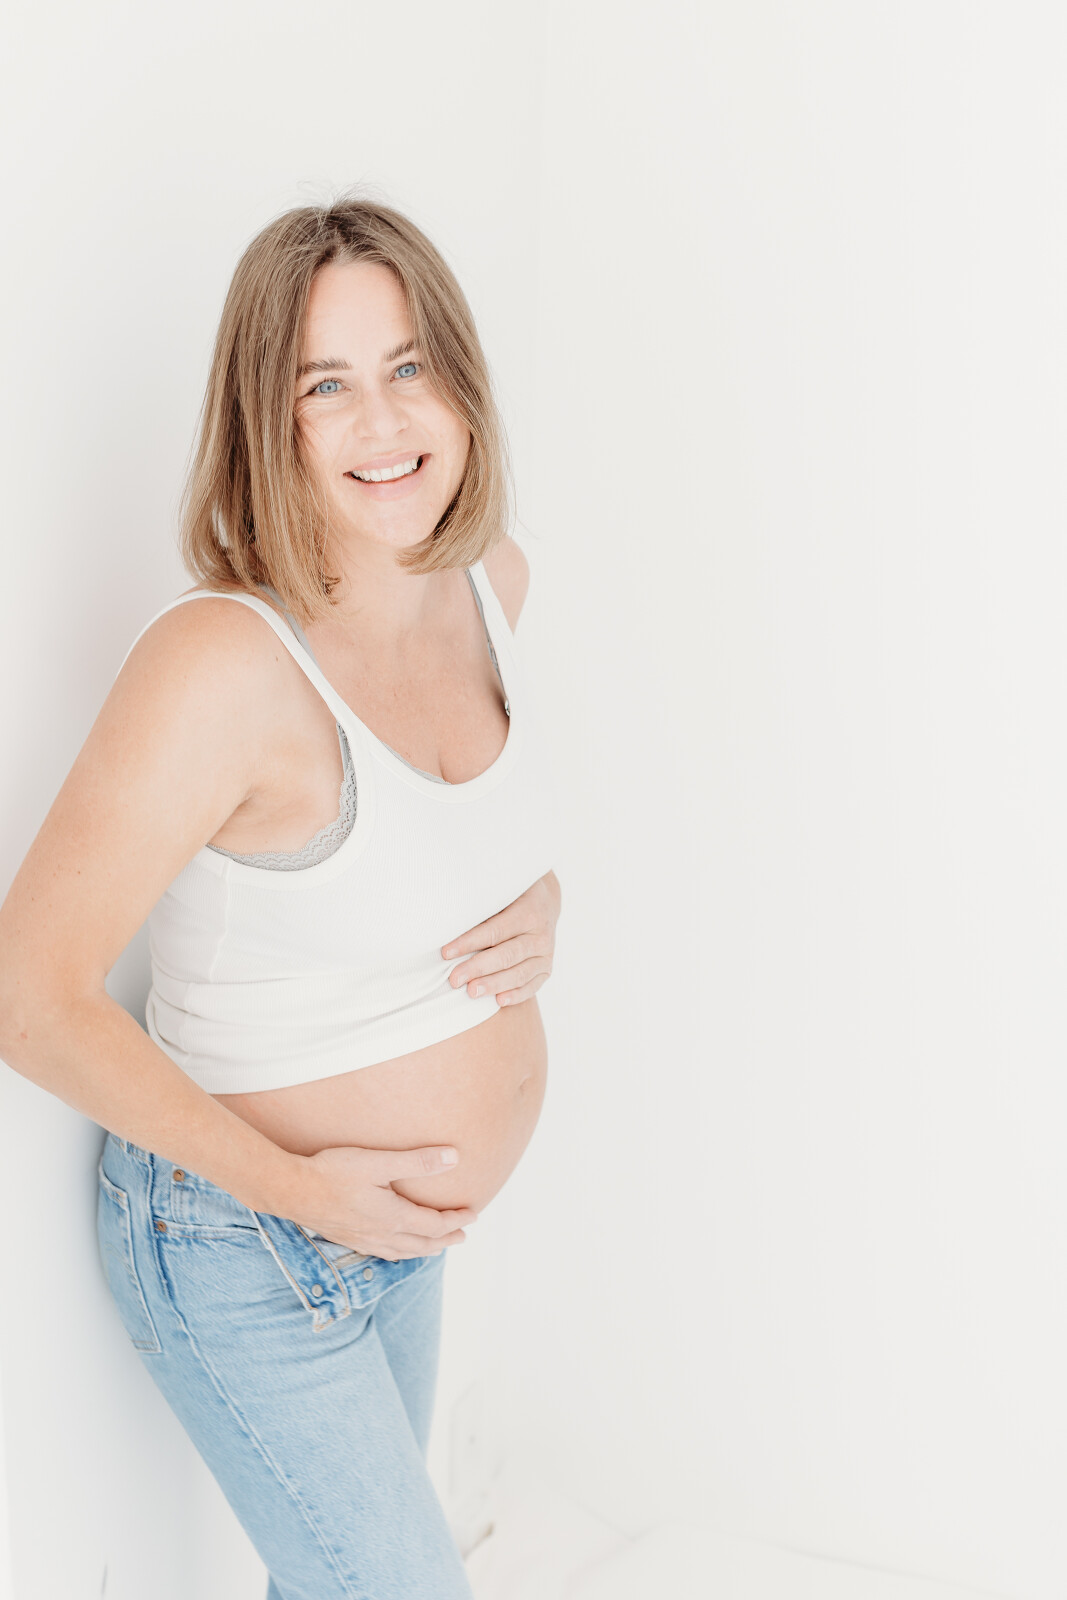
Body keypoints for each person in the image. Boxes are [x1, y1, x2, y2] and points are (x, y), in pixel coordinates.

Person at [0, 196, 564, 1599]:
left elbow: (425, 835)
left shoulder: (490, 587)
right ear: (271, 420)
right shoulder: (221, 666)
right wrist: (300, 1190)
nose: (384, 421)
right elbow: (28, 998)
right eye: (327, 385)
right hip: (245, 1236)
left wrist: (537, 899)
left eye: (410, 365)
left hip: (399, 1237)